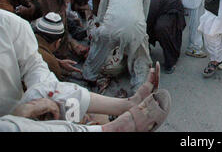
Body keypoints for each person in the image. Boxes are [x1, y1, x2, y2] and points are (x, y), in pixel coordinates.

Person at [0, 9, 170, 132]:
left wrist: (40, 100)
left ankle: (126, 104)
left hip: (25, 109)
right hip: (12, 121)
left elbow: (35, 66)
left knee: (54, 92)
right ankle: (109, 129)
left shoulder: (11, 25)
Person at [83, 0, 153, 91]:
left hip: (111, 26)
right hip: (136, 26)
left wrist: (98, 28)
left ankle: (89, 76)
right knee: (140, 55)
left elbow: (102, 12)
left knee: (99, 48)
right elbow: (145, 12)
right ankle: (139, 87)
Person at [147, 0, 186, 74]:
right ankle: (145, 51)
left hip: (171, 9)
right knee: (142, 27)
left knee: (162, 28)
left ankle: (171, 60)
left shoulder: (146, 5)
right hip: (157, 9)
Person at [34, 12, 80, 80]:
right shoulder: (51, 63)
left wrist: (58, 62)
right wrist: (54, 63)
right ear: (57, 42)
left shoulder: (25, 41)